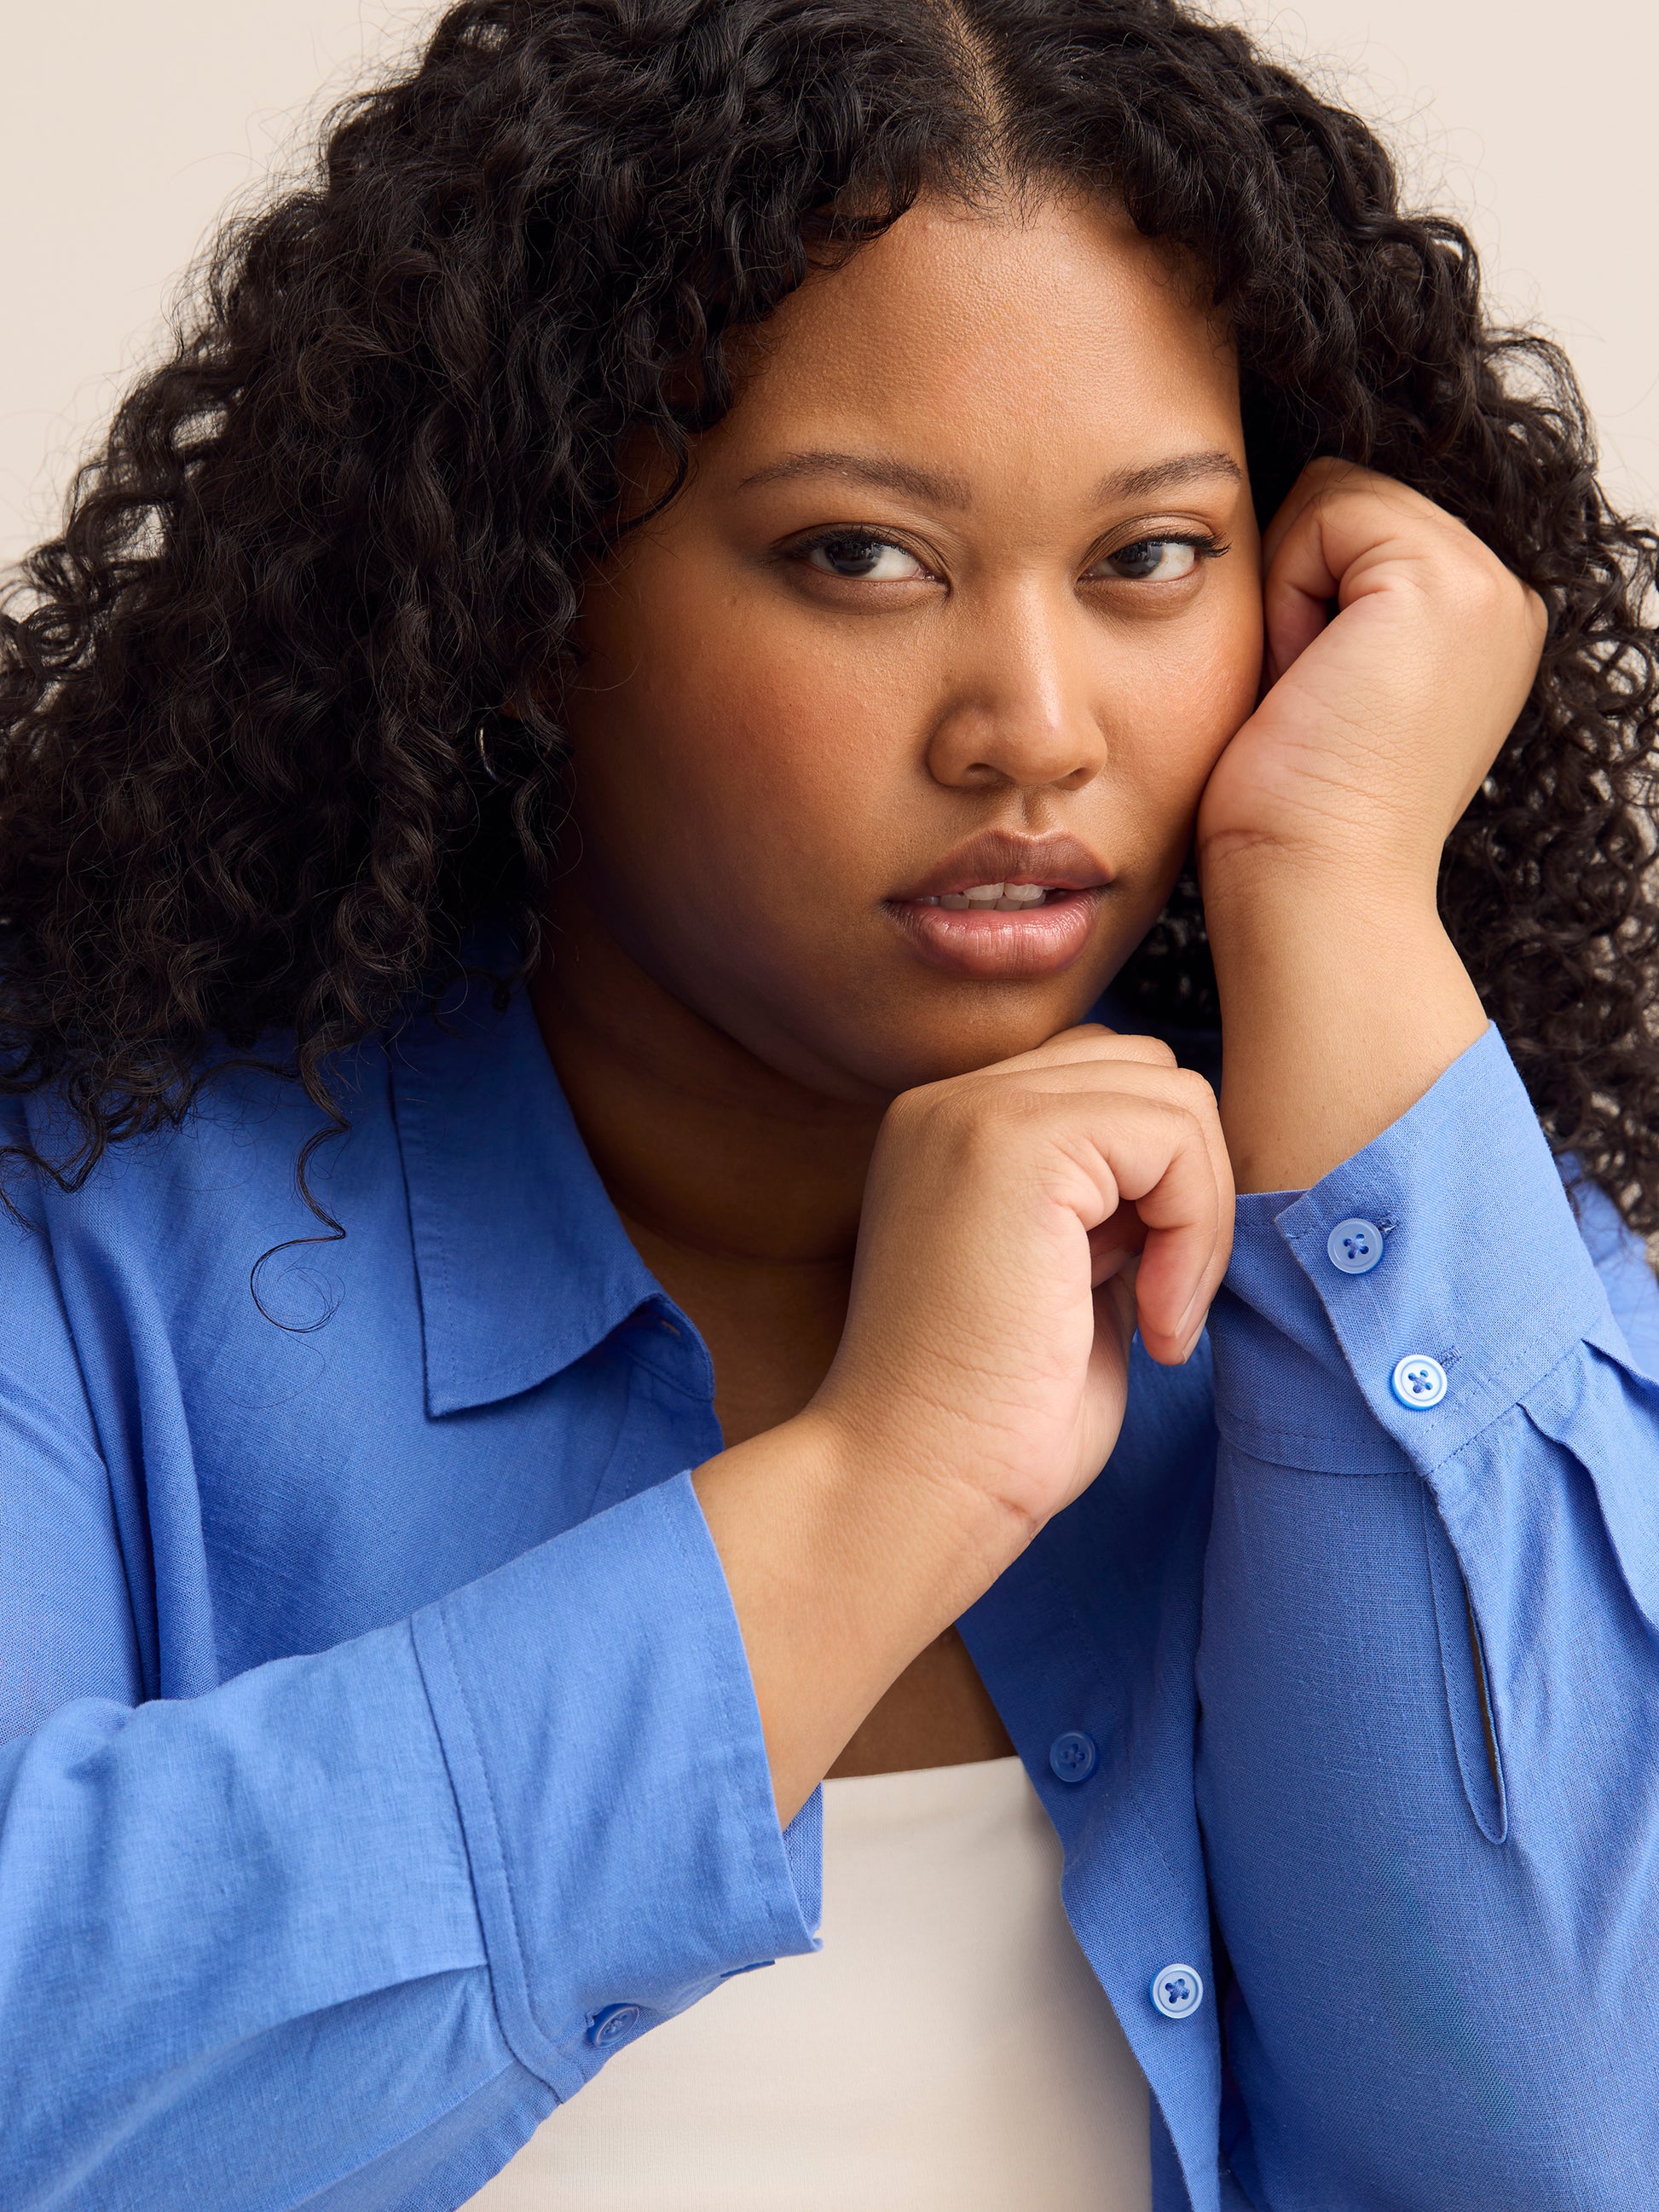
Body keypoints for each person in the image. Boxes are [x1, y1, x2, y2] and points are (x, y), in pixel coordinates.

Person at [3, 1, 1658, 2206]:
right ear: (522, 592)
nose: (1031, 728)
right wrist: (886, 1482)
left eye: (1149, 556)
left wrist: (1336, 888)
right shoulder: (86, 1230)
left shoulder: (1387, 1232)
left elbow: (1563, 2130)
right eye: (861, 558)